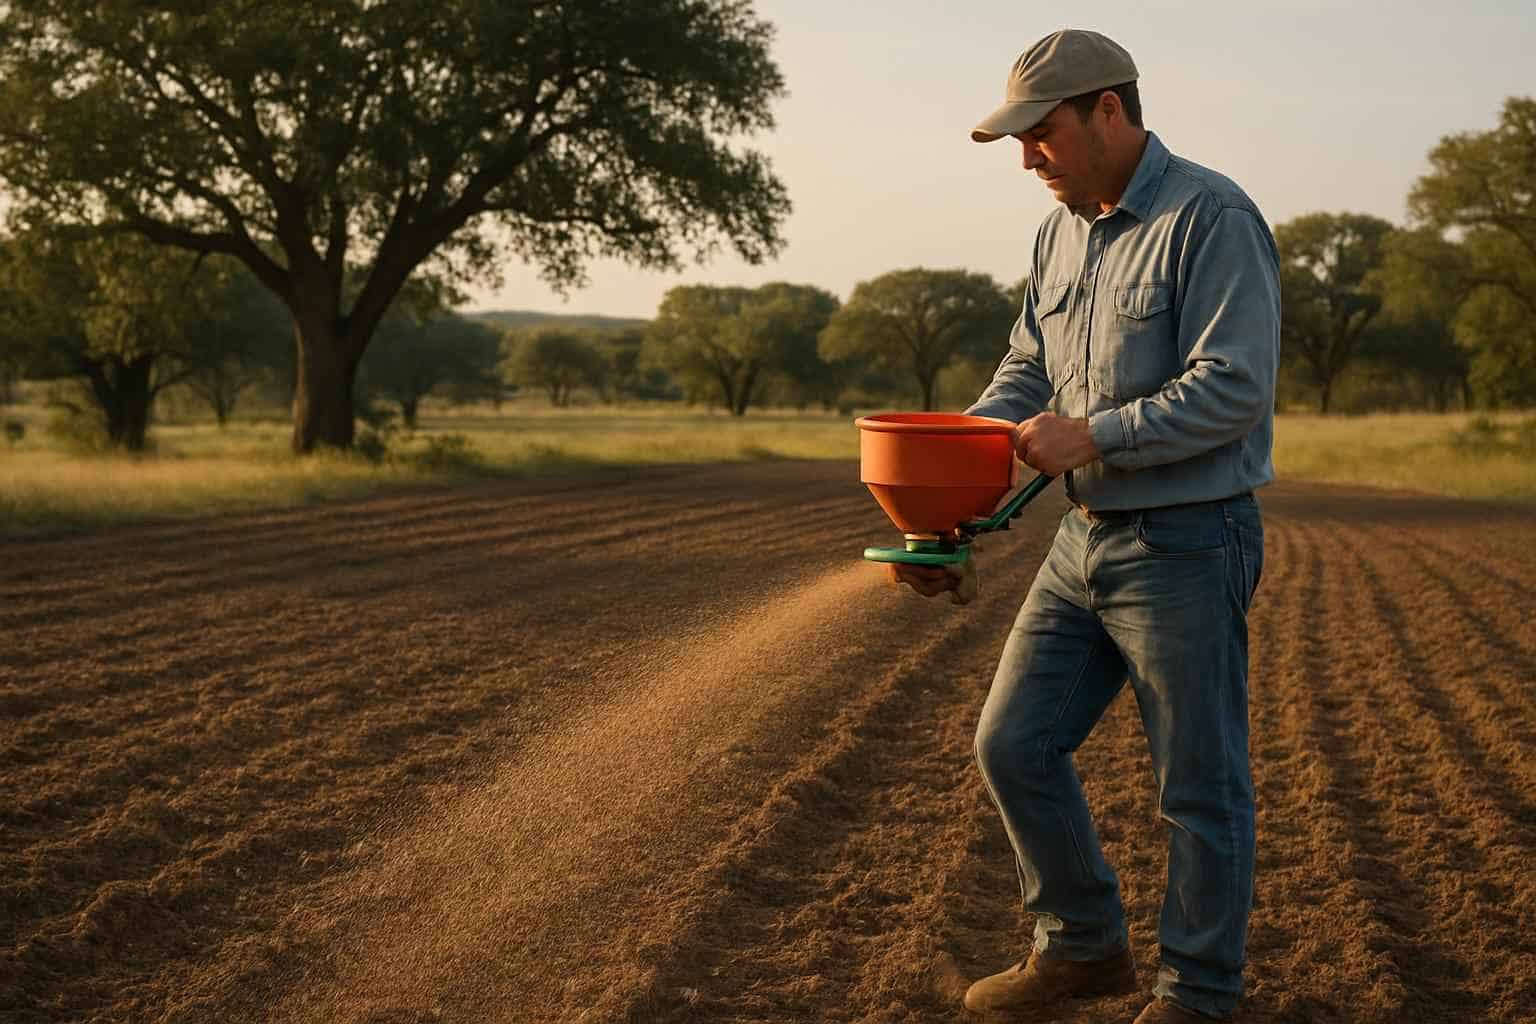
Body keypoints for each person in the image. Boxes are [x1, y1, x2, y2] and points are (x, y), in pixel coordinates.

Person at [888, 28, 1279, 1024]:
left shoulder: (1211, 216)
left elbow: (1233, 386)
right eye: (1018, 142)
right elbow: (1026, 374)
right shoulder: (1057, 232)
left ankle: (1198, 993)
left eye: (1042, 134)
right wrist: (946, 491)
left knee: (1198, 788)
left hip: (1189, 541)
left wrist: (1094, 434)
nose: (1028, 159)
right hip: (1085, 540)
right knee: (1013, 743)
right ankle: (1082, 948)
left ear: (1110, 109)